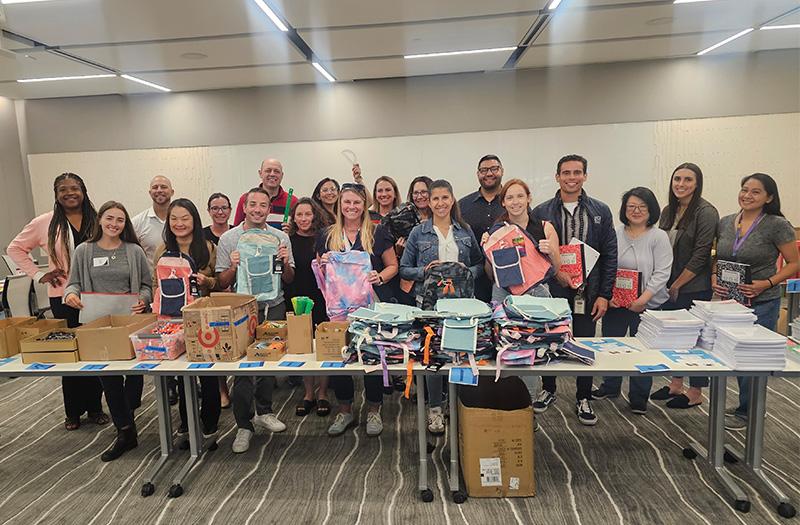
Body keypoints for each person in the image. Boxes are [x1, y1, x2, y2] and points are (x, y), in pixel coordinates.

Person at [7, 173, 108, 431]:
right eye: (63, 189)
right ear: (56, 194)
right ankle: (73, 411)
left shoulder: (97, 219)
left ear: (83, 191)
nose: (70, 193)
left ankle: (95, 407)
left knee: (94, 351)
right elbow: (15, 249)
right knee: (70, 352)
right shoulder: (45, 222)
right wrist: (40, 275)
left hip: (95, 297)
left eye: (75, 188)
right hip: (62, 296)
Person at [531, 154, 617, 426]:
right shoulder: (542, 212)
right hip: (553, 289)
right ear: (557, 176)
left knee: (583, 343)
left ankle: (583, 396)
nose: (571, 177)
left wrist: (604, 294)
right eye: (565, 173)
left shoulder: (600, 211)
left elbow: (609, 254)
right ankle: (549, 389)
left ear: (585, 176)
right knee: (550, 341)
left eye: (577, 172)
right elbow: (533, 254)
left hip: (587, 291)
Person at [64, 201, 152, 461]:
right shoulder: (84, 250)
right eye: (110, 218)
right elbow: (73, 284)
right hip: (98, 324)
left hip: (130, 322)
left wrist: (144, 299)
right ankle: (125, 430)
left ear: (126, 224)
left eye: (120, 220)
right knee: (110, 377)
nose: (114, 224)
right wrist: (70, 295)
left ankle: (128, 413)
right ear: (100, 220)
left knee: (134, 376)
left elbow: (147, 285)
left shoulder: (134, 251)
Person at [714, 173, 798, 430]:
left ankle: (750, 411)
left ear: (769, 197)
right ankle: (744, 405)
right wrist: (713, 277)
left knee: (754, 359)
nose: (747, 195)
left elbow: (794, 262)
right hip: (729, 301)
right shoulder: (726, 221)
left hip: (762, 301)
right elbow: (719, 256)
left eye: (755, 192)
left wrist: (769, 282)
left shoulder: (777, 224)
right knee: (731, 354)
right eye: (744, 189)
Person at [400, 179, 483, 435]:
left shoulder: (464, 230)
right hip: (429, 305)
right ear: (429, 201)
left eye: (445, 198)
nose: (440, 203)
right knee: (433, 357)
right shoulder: (418, 232)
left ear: (452, 199)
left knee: (460, 356)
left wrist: (463, 272)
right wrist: (425, 271)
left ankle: (459, 407)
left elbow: (480, 265)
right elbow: (404, 269)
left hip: (461, 305)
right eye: (435, 198)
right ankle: (435, 409)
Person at [316, 183, 399, 437]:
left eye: (357, 202)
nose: (352, 207)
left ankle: (374, 408)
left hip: (370, 305)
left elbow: (393, 265)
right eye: (347, 202)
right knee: (340, 357)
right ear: (340, 205)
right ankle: (345, 409)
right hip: (339, 308)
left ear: (365, 205)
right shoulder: (327, 235)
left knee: (371, 355)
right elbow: (320, 271)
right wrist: (323, 263)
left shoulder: (377, 232)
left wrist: (380, 277)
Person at [217, 187, 293, 453]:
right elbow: (222, 280)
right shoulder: (229, 238)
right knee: (243, 370)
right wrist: (233, 266)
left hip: (274, 305)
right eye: (253, 204)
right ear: (245, 206)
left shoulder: (281, 237)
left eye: (263, 205)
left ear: (269, 208)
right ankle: (243, 425)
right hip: (242, 309)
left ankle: (264, 411)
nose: (258, 209)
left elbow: (288, 279)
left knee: (268, 363)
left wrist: (285, 262)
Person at [591, 187, 672, 414]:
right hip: (616, 303)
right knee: (611, 344)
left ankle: (638, 397)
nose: (636, 211)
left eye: (642, 207)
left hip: (646, 304)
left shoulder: (659, 237)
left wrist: (643, 299)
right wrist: (608, 296)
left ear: (651, 209)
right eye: (631, 207)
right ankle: (610, 386)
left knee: (643, 350)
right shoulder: (614, 233)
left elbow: (662, 272)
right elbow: (606, 265)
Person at [651, 163, 719, 409]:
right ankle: (676, 384)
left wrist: (677, 283)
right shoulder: (669, 210)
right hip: (670, 285)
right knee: (675, 337)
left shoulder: (706, 212)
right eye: (677, 179)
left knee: (695, 339)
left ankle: (696, 391)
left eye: (687, 180)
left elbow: (702, 254)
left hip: (693, 286)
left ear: (697, 183)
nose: (681, 184)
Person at [154, 198, 221, 444]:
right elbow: (156, 284)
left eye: (185, 218)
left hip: (203, 318)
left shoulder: (207, 247)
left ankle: (210, 423)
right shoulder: (163, 249)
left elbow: (220, 282)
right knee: (182, 374)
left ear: (194, 219)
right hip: (173, 320)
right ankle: (186, 422)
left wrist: (208, 282)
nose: (179, 223)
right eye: (174, 219)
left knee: (209, 372)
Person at [284, 198, 331, 417]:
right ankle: (308, 393)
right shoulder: (288, 240)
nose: (303, 219)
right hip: (296, 297)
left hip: (322, 297)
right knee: (302, 345)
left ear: (315, 215)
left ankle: (322, 393)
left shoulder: (324, 238)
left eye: (308, 214)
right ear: (294, 218)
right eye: (299, 215)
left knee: (322, 344)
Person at [483, 178, 561, 302]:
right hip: (504, 294)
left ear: (528, 198)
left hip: (538, 291)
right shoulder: (497, 232)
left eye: (520, 196)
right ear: (503, 202)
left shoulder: (545, 228)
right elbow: (490, 274)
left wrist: (551, 252)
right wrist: (488, 247)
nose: (515, 202)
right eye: (509, 198)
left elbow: (556, 269)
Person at [459, 155, 505, 301]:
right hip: (473, 279)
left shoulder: (513, 202)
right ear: (478, 174)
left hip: (507, 277)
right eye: (484, 170)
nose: (489, 173)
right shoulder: (463, 205)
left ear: (502, 171)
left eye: (494, 169)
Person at [203, 192, 233, 409]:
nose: (220, 212)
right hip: (213, 297)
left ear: (230, 210)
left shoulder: (238, 233)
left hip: (238, 296)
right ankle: (222, 390)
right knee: (217, 345)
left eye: (224, 208)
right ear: (209, 211)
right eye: (215, 208)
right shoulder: (202, 237)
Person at [233, 158, 298, 228]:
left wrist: (290, 233)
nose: (272, 174)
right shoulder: (246, 199)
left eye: (276, 171)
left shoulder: (293, 201)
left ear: (282, 175)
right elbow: (237, 229)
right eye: (268, 170)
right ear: (260, 173)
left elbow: (297, 231)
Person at [131, 176, 175, 265]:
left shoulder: (181, 220)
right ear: (150, 193)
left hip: (180, 277)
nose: (159, 190)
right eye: (155, 187)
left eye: (163, 187)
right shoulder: (137, 222)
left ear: (172, 192)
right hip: (150, 278)